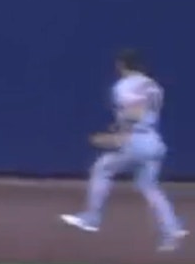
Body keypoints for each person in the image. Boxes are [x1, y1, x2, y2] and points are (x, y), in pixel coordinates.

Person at [61, 49, 188, 251]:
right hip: (153, 140)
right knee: (149, 186)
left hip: (136, 140)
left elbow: (134, 113)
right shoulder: (153, 86)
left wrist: (117, 136)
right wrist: (118, 128)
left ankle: (92, 218)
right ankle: (171, 229)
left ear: (121, 65)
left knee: (102, 168)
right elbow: (143, 113)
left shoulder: (125, 85)